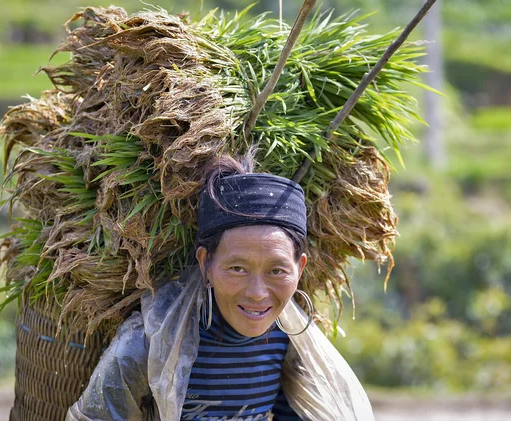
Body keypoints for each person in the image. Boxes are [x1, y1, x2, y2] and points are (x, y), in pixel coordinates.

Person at [67, 153, 375, 421]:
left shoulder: (291, 343)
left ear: (300, 268)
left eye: (277, 270)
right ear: (206, 264)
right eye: (237, 268)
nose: (257, 292)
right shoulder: (153, 339)